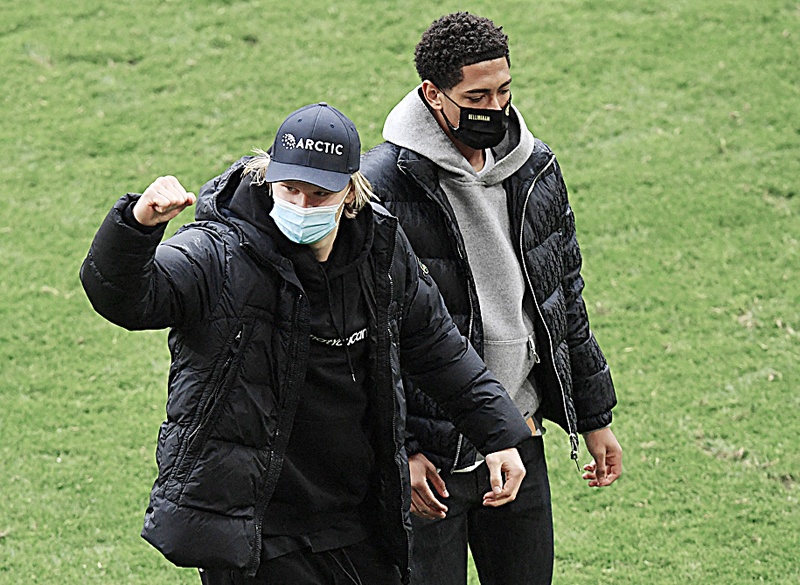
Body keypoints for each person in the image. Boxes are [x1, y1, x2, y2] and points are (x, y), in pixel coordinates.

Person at [80, 102, 536, 585]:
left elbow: (437, 348)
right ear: (269, 177)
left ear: (351, 190)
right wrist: (138, 225)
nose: (300, 205)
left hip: (357, 519)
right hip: (257, 528)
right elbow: (126, 299)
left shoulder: (381, 252)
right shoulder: (216, 253)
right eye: (289, 188)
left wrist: (498, 435)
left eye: (319, 194)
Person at [360, 12, 623, 585]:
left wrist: (594, 413)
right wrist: (400, 449)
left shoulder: (536, 168)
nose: (495, 107)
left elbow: (563, 298)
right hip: (433, 458)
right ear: (432, 94)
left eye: (504, 90)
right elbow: (368, 337)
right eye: (475, 95)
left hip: (517, 432)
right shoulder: (381, 187)